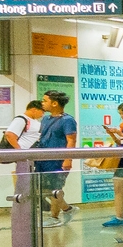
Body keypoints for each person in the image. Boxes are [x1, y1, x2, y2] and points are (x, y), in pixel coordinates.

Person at [32, 92, 77, 225]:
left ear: (55, 103)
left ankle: (54, 217)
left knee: (55, 188)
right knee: (45, 189)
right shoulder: (45, 119)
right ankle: (68, 209)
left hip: (57, 161)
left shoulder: (68, 120)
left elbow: (71, 141)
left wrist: (68, 159)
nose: (42, 103)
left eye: (45, 100)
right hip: (43, 159)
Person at [3, 97, 44, 211]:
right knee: (24, 182)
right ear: (34, 109)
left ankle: (29, 205)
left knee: (29, 181)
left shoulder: (34, 121)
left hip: (30, 157)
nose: (42, 114)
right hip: (23, 158)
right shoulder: (21, 119)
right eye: (42, 111)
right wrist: (19, 150)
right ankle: (23, 207)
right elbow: (10, 134)